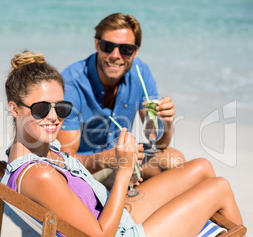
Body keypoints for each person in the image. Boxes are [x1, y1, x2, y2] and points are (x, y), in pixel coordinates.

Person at [1, 50, 251, 237]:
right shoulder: (39, 174)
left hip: (115, 219)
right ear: (14, 109)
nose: (54, 116)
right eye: (42, 108)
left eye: (62, 107)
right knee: (220, 188)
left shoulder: (36, 151)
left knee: (201, 167)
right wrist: (123, 170)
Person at [57, 13, 186, 185]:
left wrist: (167, 122)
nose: (115, 55)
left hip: (121, 160)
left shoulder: (140, 73)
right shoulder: (71, 84)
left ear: (135, 51)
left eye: (126, 49)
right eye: (107, 46)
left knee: (175, 160)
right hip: (81, 171)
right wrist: (104, 159)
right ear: (96, 44)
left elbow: (158, 142)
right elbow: (64, 160)